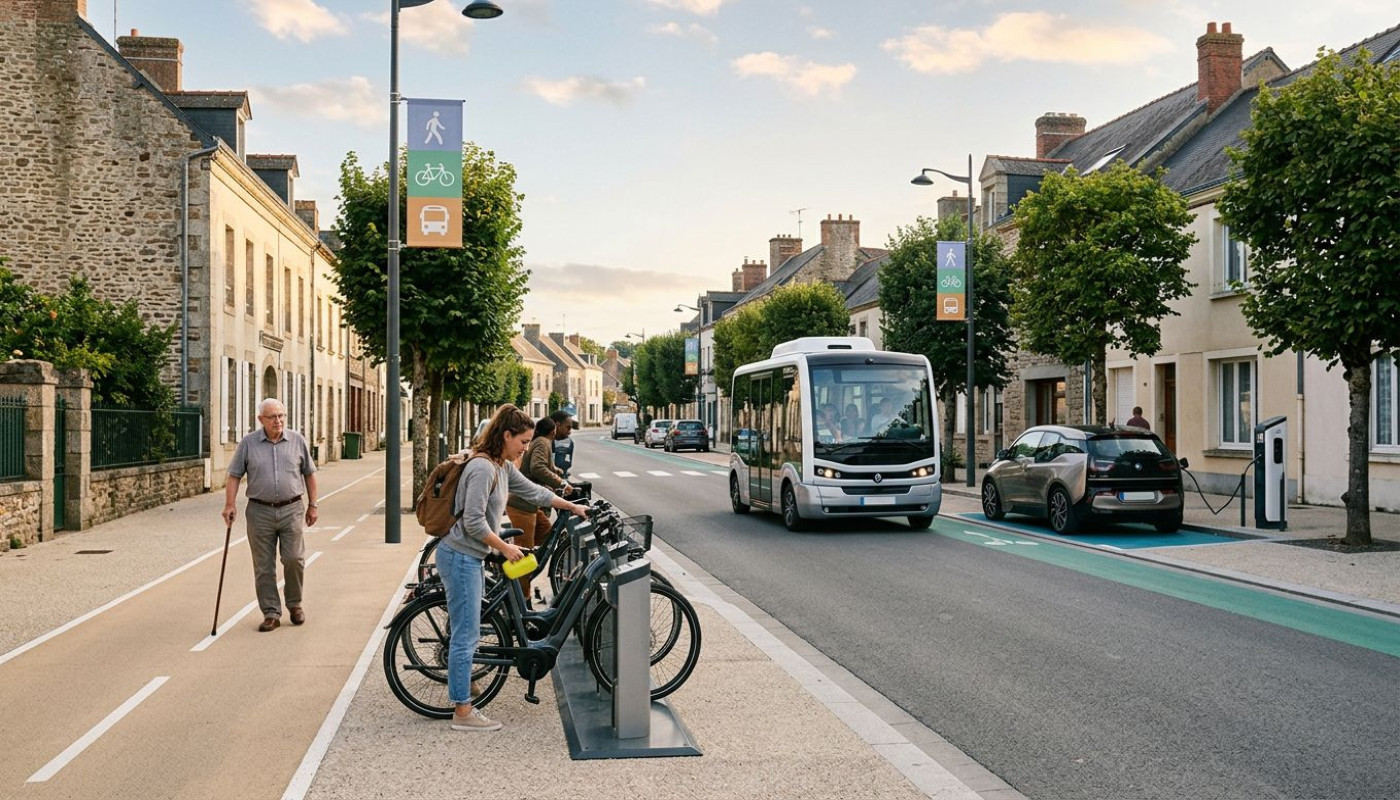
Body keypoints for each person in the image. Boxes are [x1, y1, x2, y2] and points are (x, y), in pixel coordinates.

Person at [438, 404, 589, 732]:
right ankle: (462, 712)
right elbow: (473, 521)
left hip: (470, 555)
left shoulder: (501, 466)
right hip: (461, 555)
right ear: (505, 435)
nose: (525, 447)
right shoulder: (482, 468)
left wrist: (571, 506)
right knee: (467, 634)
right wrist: (506, 548)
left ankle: (462, 686)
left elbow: (532, 491)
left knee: (471, 627)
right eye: (522, 441)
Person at [221, 398, 317, 633]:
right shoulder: (249, 443)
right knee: (263, 566)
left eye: (281, 415)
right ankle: (271, 612)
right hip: (259, 510)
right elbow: (234, 475)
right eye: (273, 417)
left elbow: (309, 474)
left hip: (291, 508)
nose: (278, 421)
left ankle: (295, 604)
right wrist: (229, 504)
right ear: (261, 420)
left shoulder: (297, 441)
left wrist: (313, 504)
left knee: (294, 559)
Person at [505, 416, 572, 601]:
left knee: (547, 537)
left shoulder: (539, 442)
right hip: (522, 506)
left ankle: (517, 580)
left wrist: (557, 473)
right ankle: (522, 601)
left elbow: (542, 466)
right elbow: (537, 467)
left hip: (531, 505)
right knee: (525, 555)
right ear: (554, 429)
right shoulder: (543, 442)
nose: (570, 431)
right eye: (568, 427)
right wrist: (561, 484)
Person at [550, 409, 574, 476]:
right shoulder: (542, 442)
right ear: (558, 425)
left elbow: (566, 465)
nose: (569, 432)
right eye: (568, 428)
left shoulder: (569, 443)